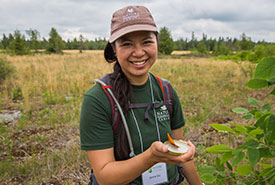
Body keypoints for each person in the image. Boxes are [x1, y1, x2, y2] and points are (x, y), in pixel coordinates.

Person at [80, 5, 203, 185]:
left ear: (157, 43)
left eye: (146, 42)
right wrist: (151, 157)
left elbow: (181, 150)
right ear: (114, 49)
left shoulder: (166, 90)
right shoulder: (98, 98)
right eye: (127, 44)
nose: (138, 53)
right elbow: (105, 177)